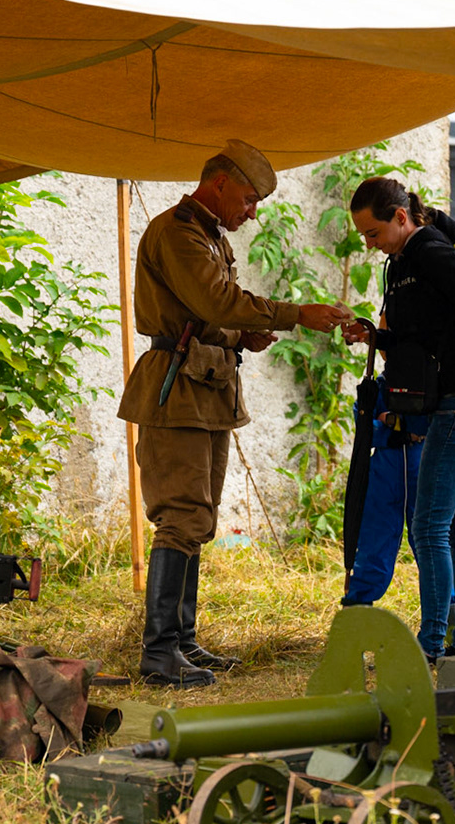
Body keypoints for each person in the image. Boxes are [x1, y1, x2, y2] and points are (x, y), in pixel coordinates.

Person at [119, 140, 354, 687]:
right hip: (177, 389)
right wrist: (295, 314)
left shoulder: (207, 234)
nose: (252, 213)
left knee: (198, 518)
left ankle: (182, 642)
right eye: (248, 200)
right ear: (219, 183)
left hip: (204, 385)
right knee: (181, 516)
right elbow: (216, 301)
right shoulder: (178, 232)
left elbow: (204, 314)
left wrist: (238, 336)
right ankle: (159, 654)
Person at [348, 177, 455, 662]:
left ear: (401, 217)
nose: (370, 245)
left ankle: (432, 645)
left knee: (428, 528)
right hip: (450, 403)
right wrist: (372, 337)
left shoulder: (432, 253)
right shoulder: (402, 263)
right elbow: (420, 340)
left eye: (373, 233)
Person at [339, 377, 424, 608]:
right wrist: (399, 433)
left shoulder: (431, 380)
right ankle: (358, 604)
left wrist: (394, 422)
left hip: (424, 466)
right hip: (385, 470)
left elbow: (429, 424)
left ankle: (448, 611)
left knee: (430, 541)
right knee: (376, 536)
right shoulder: (377, 388)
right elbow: (365, 427)